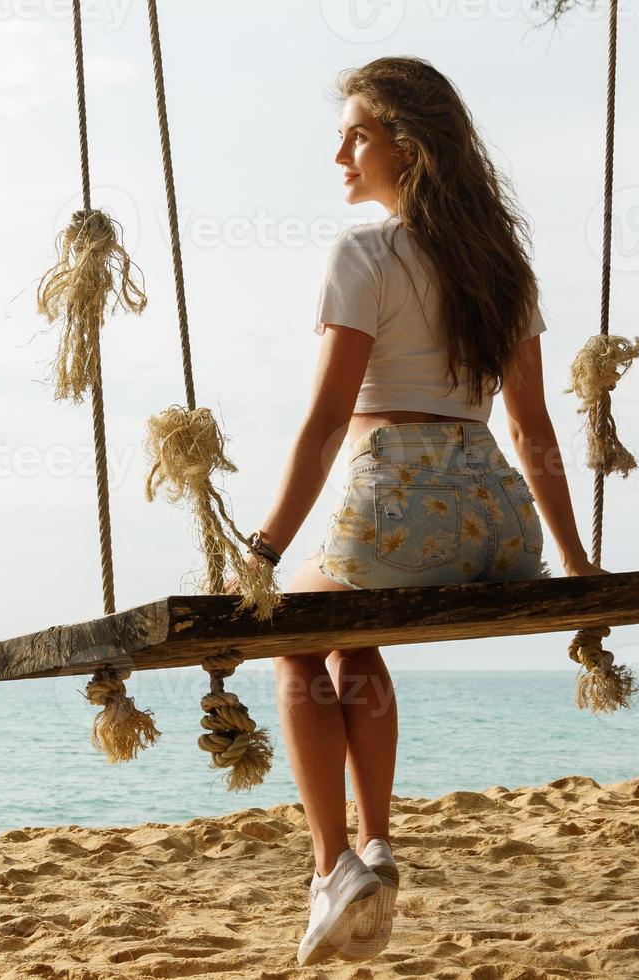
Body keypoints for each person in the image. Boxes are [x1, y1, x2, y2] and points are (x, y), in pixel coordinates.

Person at [227, 57, 608, 967]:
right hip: (496, 523)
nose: (339, 154)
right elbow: (532, 427)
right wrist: (575, 559)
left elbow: (325, 425)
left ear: (408, 143)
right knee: (352, 639)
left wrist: (265, 547)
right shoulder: (502, 268)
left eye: (356, 133)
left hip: (395, 503)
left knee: (293, 640)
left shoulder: (363, 256)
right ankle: (382, 844)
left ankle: (333, 866)